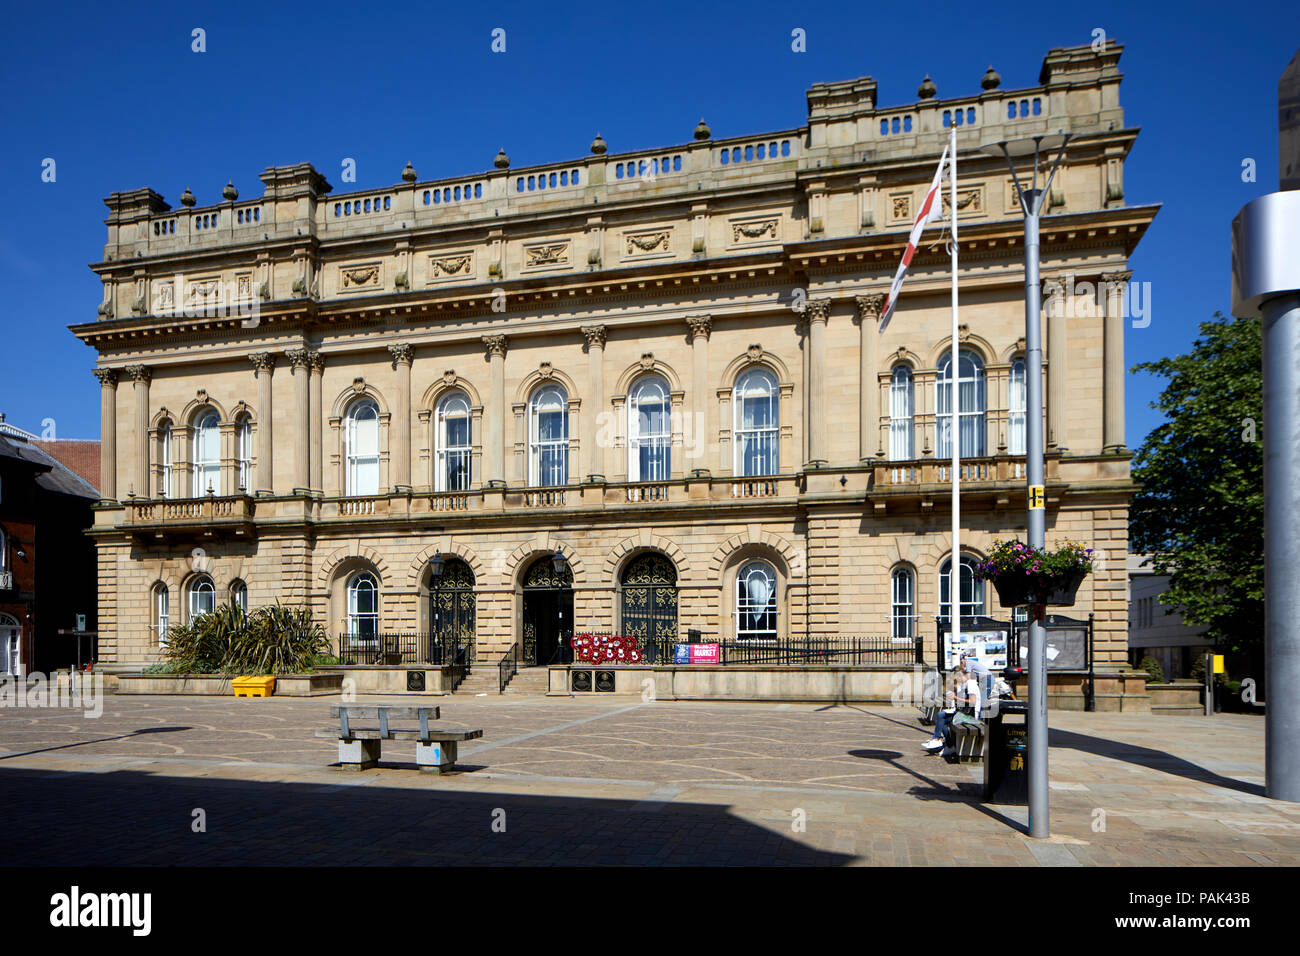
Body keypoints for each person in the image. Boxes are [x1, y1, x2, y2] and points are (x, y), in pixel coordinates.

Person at [923, 667, 967, 752]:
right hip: (959, 711)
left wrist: (955, 697)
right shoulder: (959, 685)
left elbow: (970, 702)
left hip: (965, 715)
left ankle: (939, 740)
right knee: (941, 718)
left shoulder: (966, 685)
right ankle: (940, 740)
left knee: (941, 717)